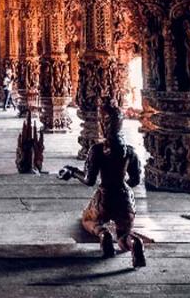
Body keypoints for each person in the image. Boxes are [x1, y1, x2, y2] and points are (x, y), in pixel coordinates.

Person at [58, 102, 146, 268]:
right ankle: (136, 243)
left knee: (87, 220)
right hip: (125, 198)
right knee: (124, 235)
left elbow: (89, 180)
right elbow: (135, 180)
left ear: (103, 124)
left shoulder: (97, 150)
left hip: (105, 197)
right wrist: (123, 188)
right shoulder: (130, 151)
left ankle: (103, 234)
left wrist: (72, 171)